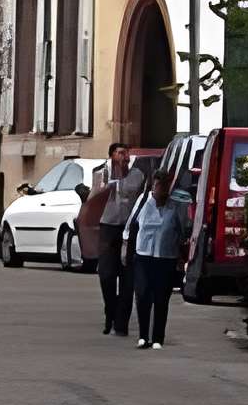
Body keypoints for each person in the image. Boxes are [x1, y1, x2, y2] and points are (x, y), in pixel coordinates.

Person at [79, 142, 138, 337]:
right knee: (106, 275)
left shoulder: (135, 174)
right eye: (121, 153)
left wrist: (118, 181)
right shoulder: (101, 173)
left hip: (127, 229)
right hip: (106, 228)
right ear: (112, 155)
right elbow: (97, 194)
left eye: (127, 153)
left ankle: (121, 323)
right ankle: (110, 312)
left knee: (128, 278)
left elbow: (131, 190)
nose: (125, 156)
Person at [130, 163, 185, 349]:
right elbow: (130, 225)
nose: (161, 189)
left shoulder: (174, 207)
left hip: (166, 259)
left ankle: (158, 338)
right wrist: (124, 248)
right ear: (153, 186)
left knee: (161, 299)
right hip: (143, 256)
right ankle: (143, 336)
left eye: (165, 185)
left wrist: (180, 257)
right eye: (158, 185)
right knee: (143, 295)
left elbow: (181, 232)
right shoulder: (143, 202)